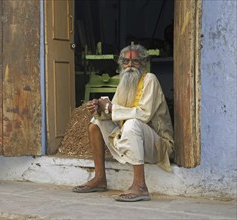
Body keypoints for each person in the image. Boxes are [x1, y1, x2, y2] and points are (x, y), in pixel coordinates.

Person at [72, 44, 174, 202]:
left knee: (132, 124)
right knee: (95, 123)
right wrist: (100, 108)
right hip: (133, 139)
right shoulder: (124, 81)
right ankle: (99, 179)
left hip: (158, 146)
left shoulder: (150, 79)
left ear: (144, 63)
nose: (130, 65)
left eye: (135, 62)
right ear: (121, 64)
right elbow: (114, 112)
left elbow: (144, 115)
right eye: (126, 62)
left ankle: (140, 186)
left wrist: (111, 107)